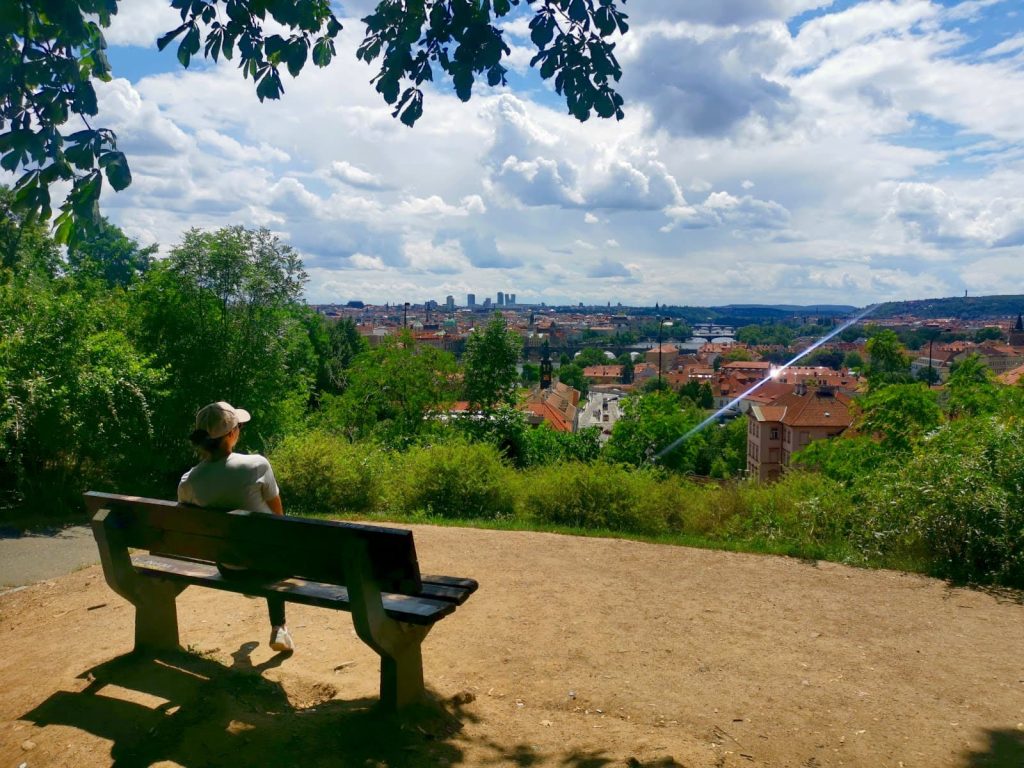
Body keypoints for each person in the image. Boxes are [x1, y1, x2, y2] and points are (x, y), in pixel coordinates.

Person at [177, 401, 295, 653]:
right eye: (238, 426)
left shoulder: (189, 480)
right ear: (232, 433)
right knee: (274, 548)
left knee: (259, 548)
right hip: (266, 567)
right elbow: (279, 518)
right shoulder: (256, 465)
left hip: (228, 566)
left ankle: (278, 624)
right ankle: (279, 627)